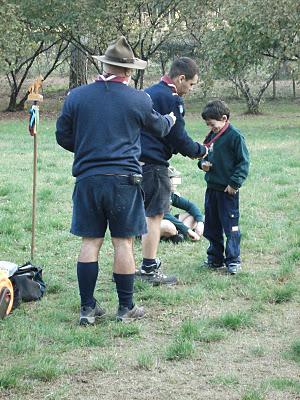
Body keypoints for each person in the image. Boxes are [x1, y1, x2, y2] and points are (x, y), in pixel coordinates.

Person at [55, 36, 176, 325]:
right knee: (123, 243)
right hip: (125, 180)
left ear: (104, 65)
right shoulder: (139, 98)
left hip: (87, 179)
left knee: (90, 242)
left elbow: (63, 136)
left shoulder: (76, 96)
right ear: (129, 70)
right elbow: (159, 128)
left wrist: (88, 147)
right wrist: (171, 119)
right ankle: (126, 308)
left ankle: (87, 309)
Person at [138, 57, 208, 286]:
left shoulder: (148, 93)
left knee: (137, 216)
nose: (190, 89)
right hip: (153, 164)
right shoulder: (172, 99)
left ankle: (128, 270)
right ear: (181, 78)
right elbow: (178, 137)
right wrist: (201, 151)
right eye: (191, 84)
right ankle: (149, 269)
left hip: (133, 161)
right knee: (154, 216)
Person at [198, 100, 249, 274]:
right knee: (212, 226)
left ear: (224, 119)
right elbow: (203, 154)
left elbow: (243, 163)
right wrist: (202, 164)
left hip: (227, 191)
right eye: (208, 125)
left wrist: (234, 183)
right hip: (211, 189)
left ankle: (233, 260)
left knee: (230, 226)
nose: (210, 127)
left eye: (212, 124)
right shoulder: (211, 135)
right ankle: (215, 258)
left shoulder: (235, 136)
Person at [161, 167, 204, 243]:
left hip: (167, 220)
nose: (177, 184)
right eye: (175, 180)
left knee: (193, 216)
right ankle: (179, 234)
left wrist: (200, 222)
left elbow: (191, 206)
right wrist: (187, 230)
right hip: (152, 224)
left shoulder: (170, 194)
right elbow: (164, 214)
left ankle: (180, 236)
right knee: (168, 226)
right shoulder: (157, 193)